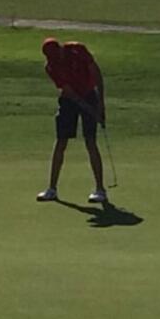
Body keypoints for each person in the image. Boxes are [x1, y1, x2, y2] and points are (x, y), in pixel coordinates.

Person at [36, 37, 108, 204]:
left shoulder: (78, 50)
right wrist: (90, 110)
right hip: (70, 101)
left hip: (90, 94)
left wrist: (100, 105)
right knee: (61, 141)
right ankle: (52, 189)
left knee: (90, 141)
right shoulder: (51, 67)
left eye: (57, 55)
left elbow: (96, 72)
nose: (57, 59)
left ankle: (100, 189)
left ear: (61, 49)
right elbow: (69, 92)